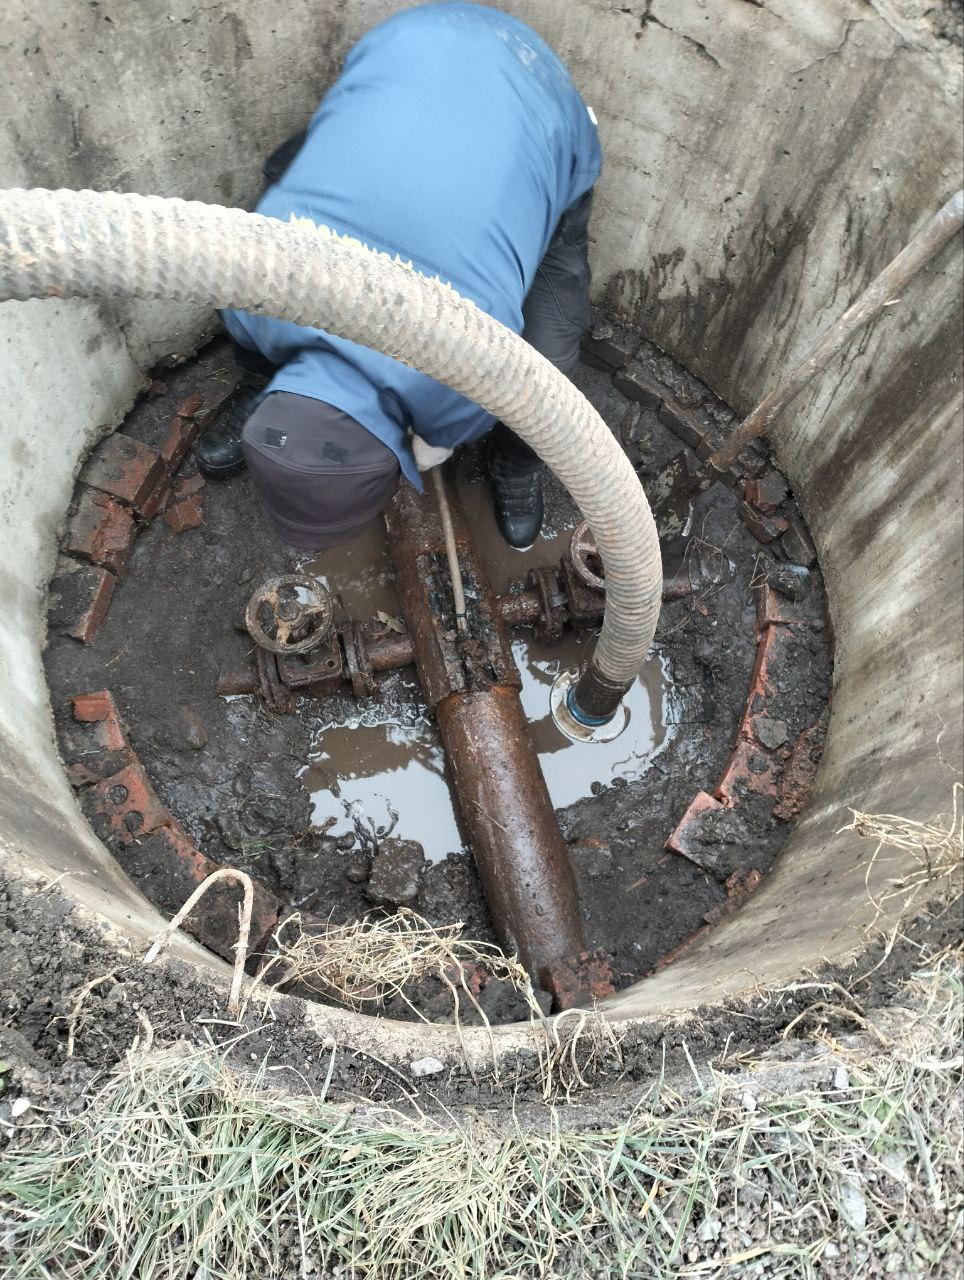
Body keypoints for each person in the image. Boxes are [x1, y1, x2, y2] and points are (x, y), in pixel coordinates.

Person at [197, 1, 601, 552]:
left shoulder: (474, 375)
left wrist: (433, 441)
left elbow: (443, 433)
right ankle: (258, 387)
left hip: (535, 107)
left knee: (547, 366)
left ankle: (517, 461)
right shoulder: (246, 288)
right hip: (406, 52)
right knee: (286, 186)